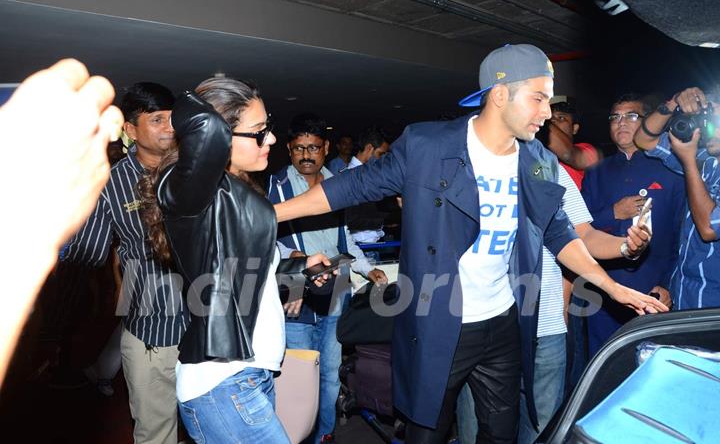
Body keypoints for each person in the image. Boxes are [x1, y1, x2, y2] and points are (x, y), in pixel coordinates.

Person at [273, 44, 667, 443]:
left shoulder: (538, 162)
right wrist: (268, 216)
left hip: (504, 323)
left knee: (502, 434)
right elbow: (349, 187)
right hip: (442, 323)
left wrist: (615, 287)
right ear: (500, 95)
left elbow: (560, 234)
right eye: (538, 98)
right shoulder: (429, 146)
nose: (548, 113)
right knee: (427, 432)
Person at [138, 78, 331, 444]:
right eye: (259, 132)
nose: (270, 140)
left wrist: (299, 269)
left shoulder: (235, 193)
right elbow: (205, 126)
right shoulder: (189, 192)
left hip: (250, 376)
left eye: (268, 129)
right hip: (222, 383)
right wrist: (213, 106)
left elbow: (241, 279)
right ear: (221, 137)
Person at [456, 166, 651, 444]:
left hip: (545, 326)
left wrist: (627, 247)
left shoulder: (549, 168)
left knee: (543, 432)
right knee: (476, 431)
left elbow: (584, 236)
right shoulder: (469, 162)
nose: (544, 119)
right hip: (480, 322)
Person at [62, 82, 186, 444]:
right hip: (151, 327)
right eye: (158, 120)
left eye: (173, 119)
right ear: (130, 130)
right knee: (156, 432)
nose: (170, 128)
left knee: (210, 426)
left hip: (207, 323)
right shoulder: (111, 183)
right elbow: (89, 252)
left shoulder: (195, 171)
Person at [0, 58, 122, 386]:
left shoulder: (96, 176)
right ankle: (40, 368)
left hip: (84, 264)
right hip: (68, 260)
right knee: (54, 319)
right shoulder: (72, 179)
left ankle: (52, 362)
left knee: (72, 317)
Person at [267, 114, 387, 443]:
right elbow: (269, 237)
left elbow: (345, 239)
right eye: (299, 148)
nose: (306, 155)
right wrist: (296, 259)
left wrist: (364, 268)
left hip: (336, 293)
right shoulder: (278, 184)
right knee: (299, 378)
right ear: (289, 150)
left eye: (314, 148)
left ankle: (325, 436)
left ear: (326, 148)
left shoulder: (337, 182)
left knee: (331, 379)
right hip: (297, 295)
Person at [581, 93, 683, 356]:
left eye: (631, 115)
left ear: (648, 121)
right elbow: (577, 228)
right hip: (603, 289)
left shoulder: (672, 170)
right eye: (615, 117)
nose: (621, 122)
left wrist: (669, 284)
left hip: (653, 287)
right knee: (602, 363)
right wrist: (613, 212)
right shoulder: (595, 173)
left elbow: (681, 236)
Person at [634, 86, 720, 309]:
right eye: (705, 121)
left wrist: (689, 161)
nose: (707, 129)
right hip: (684, 291)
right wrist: (673, 103)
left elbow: (709, 228)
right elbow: (644, 140)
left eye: (715, 122)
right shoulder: (708, 162)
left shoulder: (696, 162)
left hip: (712, 305)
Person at [343, 126, 392, 245]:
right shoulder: (348, 177)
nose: (383, 159)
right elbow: (352, 219)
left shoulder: (372, 175)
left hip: (375, 242)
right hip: (359, 245)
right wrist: (388, 218)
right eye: (381, 154)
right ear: (369, 148)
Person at [546, 100, 601, 189]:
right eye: (549, 118)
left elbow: (568, 153)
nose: (553, 121)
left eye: (561, 118)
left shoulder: (587, 150)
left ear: (575, 128)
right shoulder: (538, 153)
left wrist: (540, 119)